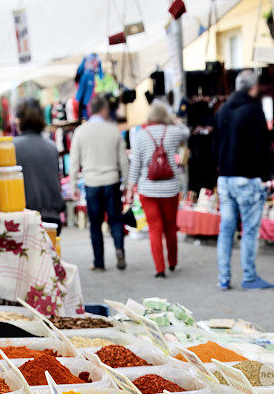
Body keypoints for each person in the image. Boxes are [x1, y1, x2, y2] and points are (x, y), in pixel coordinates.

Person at [214, 70, 274, 291]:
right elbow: (262, 146)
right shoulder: (253, 110)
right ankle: (248, 277)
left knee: (226, 229)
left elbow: (215, 147)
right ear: (254, 87)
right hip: (246, 179)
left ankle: (223, 277)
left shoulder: (222, 110)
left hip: (225, 178)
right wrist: (266, 176)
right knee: (248, 230)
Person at [127, 101, 189, 277]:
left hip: (148, 190)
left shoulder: (141, 135)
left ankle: (159, 269)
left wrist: (131, 188)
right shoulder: (174, 131)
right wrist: (176, 121)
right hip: (170, 189)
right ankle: (173, 263)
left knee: (155, 228)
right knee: (170, 227)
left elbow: (135, 165)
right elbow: (187, 133)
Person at [70, 95, 128, 271]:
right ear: (103, 110)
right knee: (115, 220)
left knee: (95, 223)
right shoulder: (113, 131)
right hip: (111, 181)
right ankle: (119, 248)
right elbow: (123, 161)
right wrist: (126, 183)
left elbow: (74, 161)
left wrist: (73, 185)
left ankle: (99, 262)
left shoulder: (80, 131)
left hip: (92, 183)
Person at [14, 98, 63, 230]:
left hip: (27, 219)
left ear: (20, 119)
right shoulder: (52, 147)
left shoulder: (12, 147)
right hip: (52, 217)